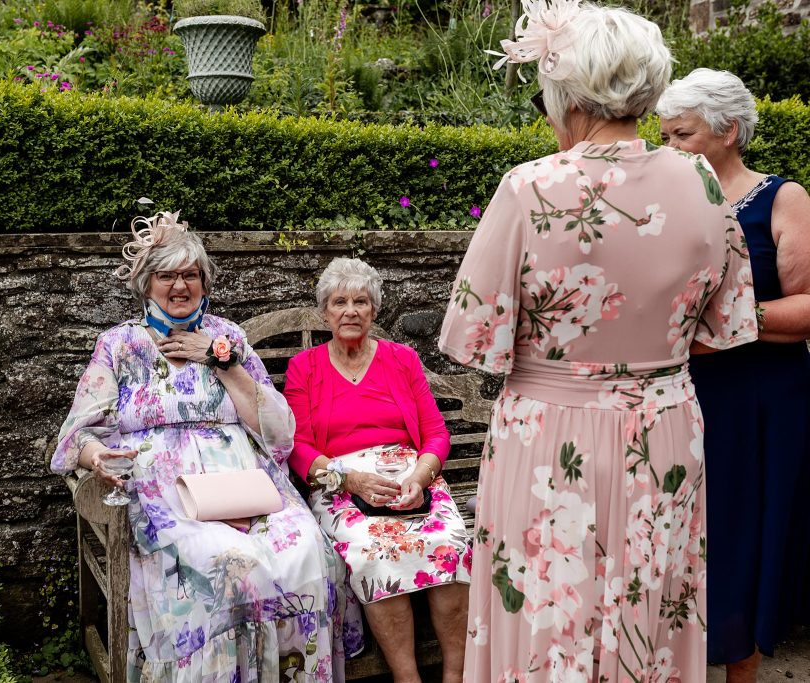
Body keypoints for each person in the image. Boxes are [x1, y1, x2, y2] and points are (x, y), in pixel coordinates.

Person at [438, 2, 760, 681]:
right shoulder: (702, 181)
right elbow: (728, 322)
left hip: (549, 433)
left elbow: (474, 339)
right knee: (653, 600)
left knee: (548, 606)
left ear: (569, 93)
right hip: (665, 425)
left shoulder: (529, 189)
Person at [50, 211, 347, 682]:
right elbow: (77, 432)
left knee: (307, 550)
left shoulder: (229, 338)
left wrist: (221, 363)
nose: (180, 285)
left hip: (246, 485)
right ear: (147, 284)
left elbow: (277, 430)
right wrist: (96, 457)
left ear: (205, 282)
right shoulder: (120, 345)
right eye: (167, 275)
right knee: (227, 565)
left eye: (190, 274)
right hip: (166, 494)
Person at [657, 68, 810, 683]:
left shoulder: (784, 198)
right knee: (678, 536)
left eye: (681, 134)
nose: (667, 147)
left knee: (740, 533)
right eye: (663, 134)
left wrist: (720, 322)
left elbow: (805, 310)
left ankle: (740, 674)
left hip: (763, 399)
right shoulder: (661, 201)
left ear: (727, 132)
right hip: (682, 393)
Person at [283, 257, 471, 683]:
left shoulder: (401, 359)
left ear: (374, 309)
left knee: (451, 544)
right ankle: (407, 679)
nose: (350, 310)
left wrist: (419, 479)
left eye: (361, 301)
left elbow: (436, 434)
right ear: (325, 312)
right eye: (339, 302)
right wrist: (349, 479)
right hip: (340, 483)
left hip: (410, 478)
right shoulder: (304, 367)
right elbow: (299, 449)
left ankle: (455, 678)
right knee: (371, 553)